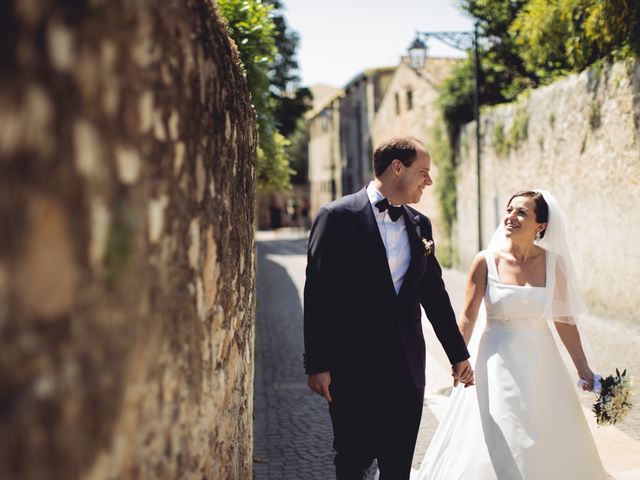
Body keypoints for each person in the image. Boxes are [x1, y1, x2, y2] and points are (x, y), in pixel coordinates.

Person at [303, 136, 474, 479]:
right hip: (352, 369)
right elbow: (319, 294)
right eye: (423, 172)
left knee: (398, 466)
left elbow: (435, 296)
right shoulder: (336, 217)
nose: (429, 180)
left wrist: (458, 355)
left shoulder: (419, 224)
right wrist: (317, 363)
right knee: (353, 460)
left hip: (406, 370)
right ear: (398, 168)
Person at [414, 190, 607, 480]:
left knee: (546, 433)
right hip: (495, 362)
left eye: (521, 213)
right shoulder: (485, 261)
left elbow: (564, 322)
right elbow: (468, 315)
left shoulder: (555, 264)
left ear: (540, 225)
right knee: (500, 429)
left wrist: (584, 369)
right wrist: (457, 358)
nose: (511, 217)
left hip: (542, 366)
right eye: (509, 210)